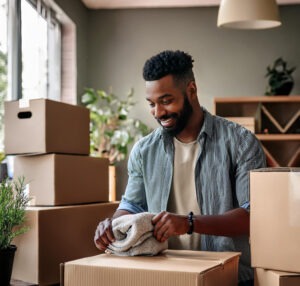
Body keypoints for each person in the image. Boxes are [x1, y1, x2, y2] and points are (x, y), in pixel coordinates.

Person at [94, 50, 266, 286]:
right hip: (166, 275)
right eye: (152, 104)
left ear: (191, 91)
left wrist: (189, 223)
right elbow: (131, 205)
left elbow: (253, 215)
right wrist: (113, 225)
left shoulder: (241, 143)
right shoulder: (144, 150)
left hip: (230, 277)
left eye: (166, 101)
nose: (158, 112)